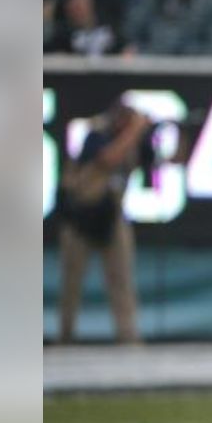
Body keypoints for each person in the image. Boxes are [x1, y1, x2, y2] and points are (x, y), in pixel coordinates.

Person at [56, 102, 151, 343]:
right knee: (72, 281)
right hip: (82, 214)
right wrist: (135, 131)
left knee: (122, 279)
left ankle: (128, 336)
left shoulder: (133, 141)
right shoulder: (96, 133)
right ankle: (66, 335)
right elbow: (107, 159)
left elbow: (159, 162)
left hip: (112, 215)